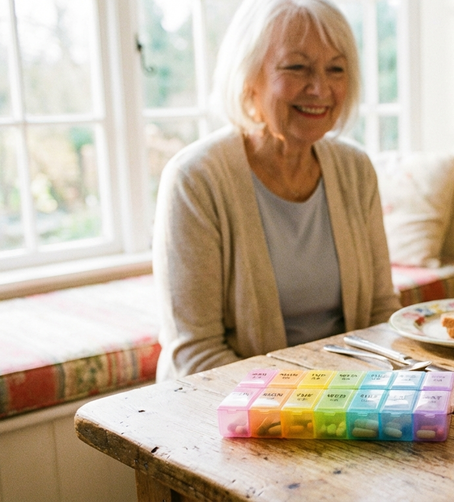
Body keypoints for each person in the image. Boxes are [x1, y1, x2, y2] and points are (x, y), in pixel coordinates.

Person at [152, 0, 401, 381]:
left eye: (336, 68)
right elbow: (196, 353)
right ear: (248, 77)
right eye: (296, 67)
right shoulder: (194, 178)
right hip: (231, 412)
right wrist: (309, 403)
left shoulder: (356, 169)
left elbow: (380, 313)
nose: (320, 88)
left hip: (346, 402)